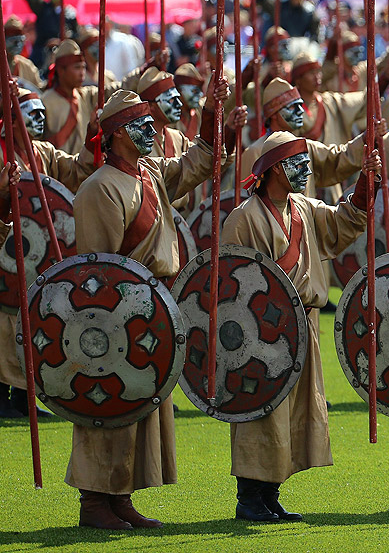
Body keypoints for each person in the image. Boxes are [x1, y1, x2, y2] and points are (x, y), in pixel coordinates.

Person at [69, 84, 245, 529]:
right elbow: (97, 269)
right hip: (114, 314)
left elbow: (198, 163)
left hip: (155, 306)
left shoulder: (149, 173)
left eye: (151, 123)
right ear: (116, 135)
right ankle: (94, 501)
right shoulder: (99, 188)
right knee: (107, 401)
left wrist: (212, 112)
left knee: (140, 406)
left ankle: (121, 496)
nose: (152, 130)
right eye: (140, 125)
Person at [223, 132, 378, 521]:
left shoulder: (304, 208)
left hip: (302, 323)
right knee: (260, 408)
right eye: (297, 163)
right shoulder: (244, 218)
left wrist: (365, 184)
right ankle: (249, 497)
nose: (307, 170)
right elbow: (231, 286)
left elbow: (344, 223)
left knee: (292, 412)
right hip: (261, 333)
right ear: (274, 168)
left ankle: (271, 493)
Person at [0, 89, 94, 419]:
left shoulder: (43, 153)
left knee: (31, 322)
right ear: (12, 119)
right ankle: (2, 394)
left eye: (43, 112)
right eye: (31, 113)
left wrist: (93, 138)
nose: (40, 119)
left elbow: (77, 169)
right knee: (3, 325)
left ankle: (25, 396)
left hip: (36, 259)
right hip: (4, 255)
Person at [238, 77, 367, 197]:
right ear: (274, 114)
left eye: (300, 105)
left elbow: (337, 159)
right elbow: (246, 202)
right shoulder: (255, 152)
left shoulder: (306, 146)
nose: (300, 111)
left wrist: (366, 139)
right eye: (293, 106)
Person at [40, 40, 97, 155]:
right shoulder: (46, 101)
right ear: (61, 70)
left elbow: (112, 90)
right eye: (77, 68)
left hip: (84, 166)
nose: (82, 73)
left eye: (83, 67)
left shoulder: (84, 95)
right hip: (58, 169)